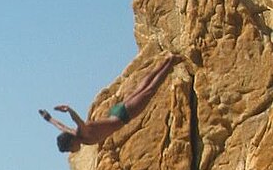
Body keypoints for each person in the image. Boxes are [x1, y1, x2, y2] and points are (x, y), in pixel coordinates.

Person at [39, 55, 179, 153]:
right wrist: (48, 118)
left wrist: (69, 110)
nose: (72, 151)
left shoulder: (83, 134)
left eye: (70, 149)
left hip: (123, 116)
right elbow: (60, 126)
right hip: (115, 112)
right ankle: (164, 62)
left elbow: (78, 120)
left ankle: (170, 62)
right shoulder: (74, 134)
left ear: (71, 143)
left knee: (149, 91)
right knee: (140, 90)